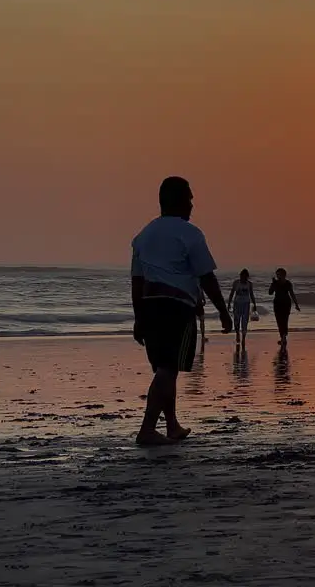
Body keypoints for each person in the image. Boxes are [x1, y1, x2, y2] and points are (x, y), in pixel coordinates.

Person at [131, 176, 232, 446]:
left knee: (167, 369)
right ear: (176, 201)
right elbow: (206, 276)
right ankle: (147, 429)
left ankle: (172, 425)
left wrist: (138, 317)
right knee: (168, 368)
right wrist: (223, 311)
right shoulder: (190, 234)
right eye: (188, 198)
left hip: (150, 306)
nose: (192, 203)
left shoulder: (143, 235)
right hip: (177, 308)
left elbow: (137, 281)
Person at [227, 269, 258, 352]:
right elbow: (232, 293)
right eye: (241, 276)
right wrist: (229, 303)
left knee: (245, 321)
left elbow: (251, 294)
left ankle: (243, 338)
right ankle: (237, 334)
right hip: (237, 304)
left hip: (246, 304)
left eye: (244, 276)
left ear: (247, 277)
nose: (242, 278)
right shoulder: (236, 283)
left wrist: (254, 304)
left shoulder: (249, 284)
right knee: (236, 320)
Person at [269, 268, 299, 352]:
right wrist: (272, 284)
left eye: (279, 274)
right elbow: (270, 293)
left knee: (285, 320)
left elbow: (292, 293)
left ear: (284, 275)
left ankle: (283, 337)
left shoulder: (288, 283)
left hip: (286, 304)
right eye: (277, 274)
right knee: (279, 321)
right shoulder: (275, 283)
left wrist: (296, 304)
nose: (278, 276)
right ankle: (283, 337)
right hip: (277, 304)